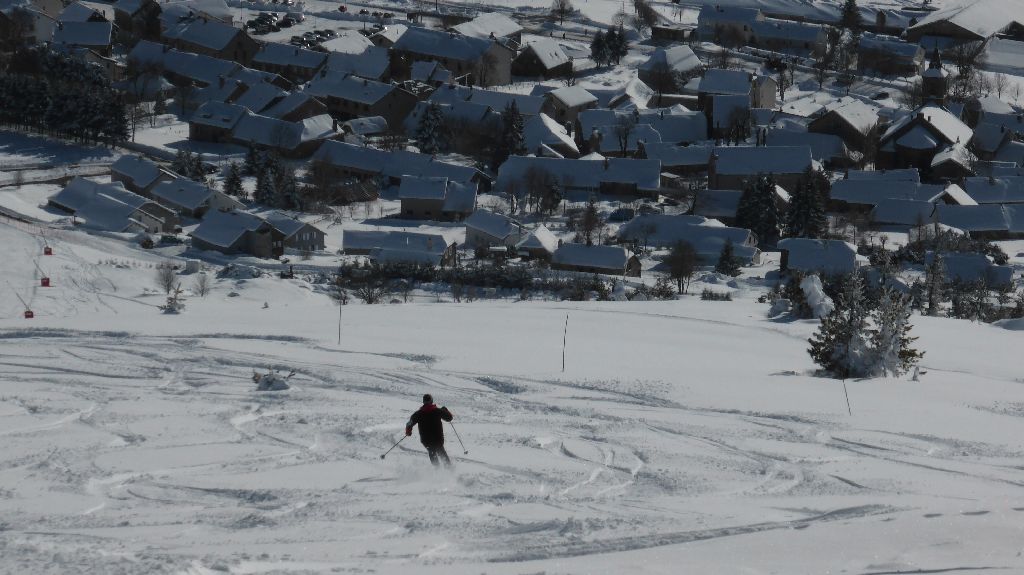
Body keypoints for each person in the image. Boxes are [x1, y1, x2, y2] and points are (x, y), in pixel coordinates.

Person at [405, 394, 454, 467]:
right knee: (441, 452)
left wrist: (408, 432)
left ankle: (437, 470)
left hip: (426, 440)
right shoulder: (437, 411)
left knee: (432, 452)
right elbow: (449, 418)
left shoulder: (418, 414)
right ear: (431, 401)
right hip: (438, 438)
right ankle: (449, 470)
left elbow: (409, 424)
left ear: (423, 401)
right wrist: (445, 411)